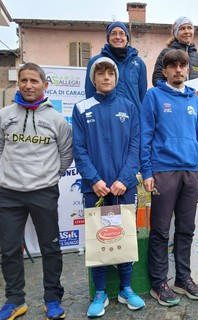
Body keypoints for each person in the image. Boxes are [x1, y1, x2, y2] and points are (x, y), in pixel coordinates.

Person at [72, 57, 145, 317]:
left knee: (124, 237)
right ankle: (100, 292)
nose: (105, 77)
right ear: (93, 80)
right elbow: (78, 149)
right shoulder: (81, 108)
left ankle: (126, 288)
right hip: (96, 190)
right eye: (100, 73)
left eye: (110, 73)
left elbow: (136, 146)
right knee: (98, 239)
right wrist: (95, 180)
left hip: (124, 188)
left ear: (116, 78)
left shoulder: (129, 106)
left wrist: (124, 180)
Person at [0, 63, 73, 320]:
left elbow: (66, 155)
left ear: (45, 85)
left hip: (43, 192)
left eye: (34, 80)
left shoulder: (56, 120)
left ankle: (52, 299)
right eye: (24, 80)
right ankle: (14, 300)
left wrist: (50, 176)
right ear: (18, 84)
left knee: (50, 248)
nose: (28, 85)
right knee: (8, 249)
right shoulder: (4, 114)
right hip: (8, 194)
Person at [140, 49, 198, 307]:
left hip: (190, 171)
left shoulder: (195, 100)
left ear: (188, 70)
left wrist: (196, 163)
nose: (178, 70)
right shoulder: (153, 96)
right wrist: (147, 171)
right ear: (165, 70)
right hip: (163, 170)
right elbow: (145, 135)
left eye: (183, 65)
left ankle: (183, 278)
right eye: (173, 66)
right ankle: (159, 283)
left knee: (186, 229)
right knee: (160, 230)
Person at [85, 21, 147, 110]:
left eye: (122, 34)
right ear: (108, 38)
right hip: (106, 117)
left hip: (133, 119)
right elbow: (90, 93)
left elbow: (142, 95)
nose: (118, 37)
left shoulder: (138, 63)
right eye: (113, 34)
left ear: (127, 38)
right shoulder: (96, 62)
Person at [152, 16, 198, 104]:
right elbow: (157, 79)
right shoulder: (166, 53)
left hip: (194, 105)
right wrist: (173, 91)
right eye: (182, 28)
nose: (187, 32)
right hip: (171, 103)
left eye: (189, 28)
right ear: (176, 33)